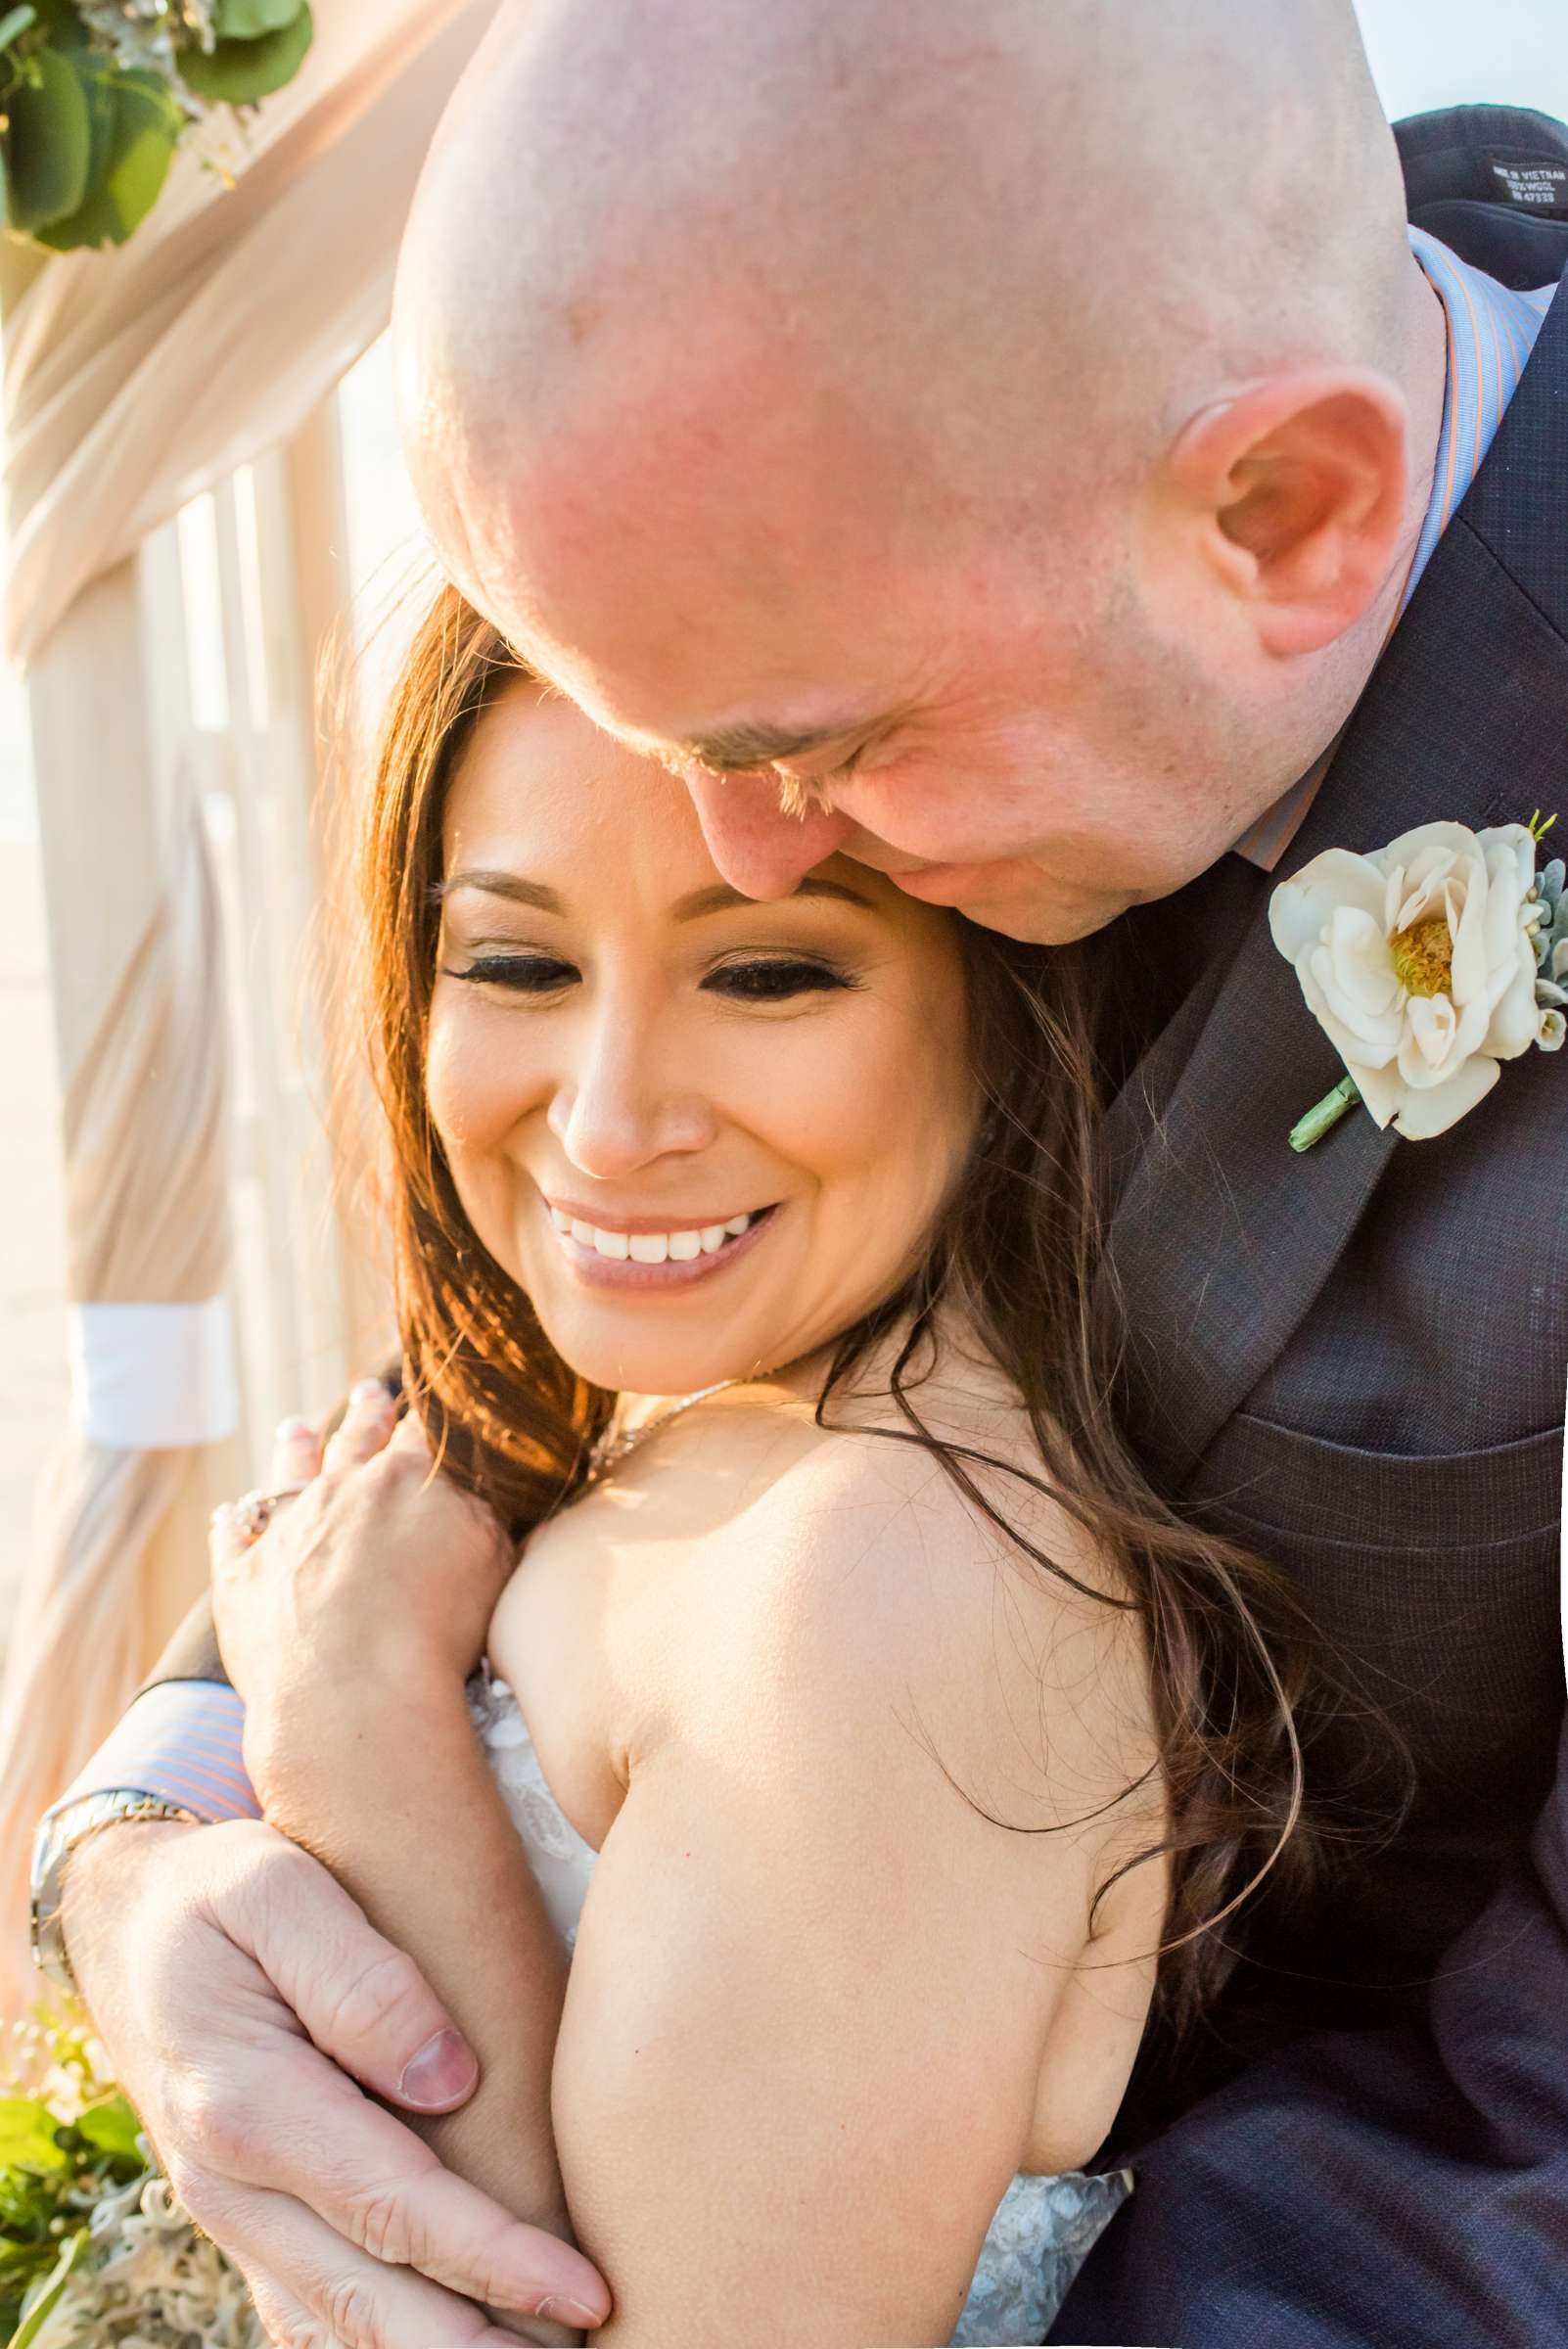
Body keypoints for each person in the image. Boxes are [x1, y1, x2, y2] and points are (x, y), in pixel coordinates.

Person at [35, 2, 1568, 2342]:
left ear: (1288, 519)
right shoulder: (989, 463)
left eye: (813, 757)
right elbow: (607, 1242)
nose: (743, 852)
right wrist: (143, 1846)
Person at [192, 582, 1313, 2346]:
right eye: (516, 964)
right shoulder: (703, 1400)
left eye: (769, 971)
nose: (611, 1119)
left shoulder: (883, 1581)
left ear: (1001, 989)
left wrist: (350, 1718)